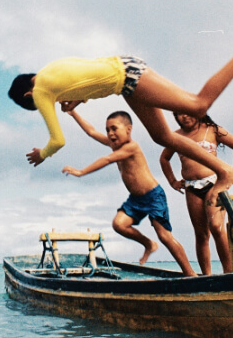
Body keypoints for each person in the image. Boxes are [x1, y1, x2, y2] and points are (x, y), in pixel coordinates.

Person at [8, 33, 233, 205]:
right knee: (162, 137)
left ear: (29, 95)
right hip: (123, 76)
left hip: (127, 76)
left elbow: (58, 140)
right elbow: (89, 73)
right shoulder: (48, 70)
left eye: (35, 104)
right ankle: (224, 171)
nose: (48, 105)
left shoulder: (41, 92)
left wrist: (43, 154)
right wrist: (82, 98)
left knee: (198, 105)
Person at [61, 109, 196, 275]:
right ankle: (148, 244)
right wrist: (73, 112)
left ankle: (190, 274)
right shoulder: (114, 144)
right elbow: (91, 131)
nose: (110, 134)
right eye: (107, 130)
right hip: (136, 199)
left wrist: (81, 172)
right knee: (119, 224)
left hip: (153, 196)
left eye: (114, 128)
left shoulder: (132, 147)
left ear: (128, 130)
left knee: (165, 236)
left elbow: (108, 159)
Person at [160, 113, 233, 275]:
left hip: (214, 183)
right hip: (191, 187)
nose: (184, 117)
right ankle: (207, 276)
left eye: (187, 112)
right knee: (201, 234)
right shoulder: (175, 136)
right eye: (179, 115)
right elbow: (164, 158)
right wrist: (173, 181)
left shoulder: (213, 130)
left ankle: (229, 272)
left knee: (216, 227)